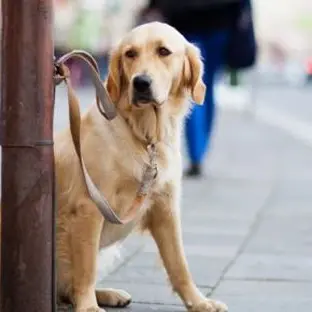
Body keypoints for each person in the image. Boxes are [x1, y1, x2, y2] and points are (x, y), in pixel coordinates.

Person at [140, 0, 244, 177]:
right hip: (220, 20)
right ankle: (200, 150)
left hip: (186, 20)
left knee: (192, 86)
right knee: (207, 86)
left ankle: (197, 152)